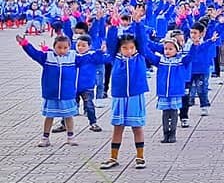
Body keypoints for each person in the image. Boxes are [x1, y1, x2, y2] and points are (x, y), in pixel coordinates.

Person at [18, 33, 98, 147]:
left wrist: (100, 52)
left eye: (65, 47)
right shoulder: (47, 57)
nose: (62, 50)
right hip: (51, 94)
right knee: (49, 116)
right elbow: (34, 54)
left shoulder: (74, 57)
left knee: (68, 116)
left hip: (67, 94)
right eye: (59, 47)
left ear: (69, 47)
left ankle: (70, 137)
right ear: (54, 47)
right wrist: (25, 44)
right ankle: (45, 137)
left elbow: (89, 58)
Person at [101, 34, 150, 170]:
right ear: (119, 49)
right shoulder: (115, 58)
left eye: (131, 48)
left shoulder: (140, 56)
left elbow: (142, 39)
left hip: (135, 96)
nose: (129, 51)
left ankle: (140, 157)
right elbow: (111, 42)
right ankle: (113, 157)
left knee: (137, 127)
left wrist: (138, 23)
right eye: (125, 48)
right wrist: (113, 27)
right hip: (119, 96)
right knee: (118, 127)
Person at [145, 36, 194, 144]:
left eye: (170, 49)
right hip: (163, 92)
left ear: (177, 50)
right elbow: (148, 54)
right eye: (165, 49)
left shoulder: (181, 60)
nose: (167, 51)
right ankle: (165, 133)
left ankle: (172, 134)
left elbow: (191, 55)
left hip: (175, 92)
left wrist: (195, 45)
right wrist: (141, 40)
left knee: (174, 112)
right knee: (165, 113)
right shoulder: (160, 61)